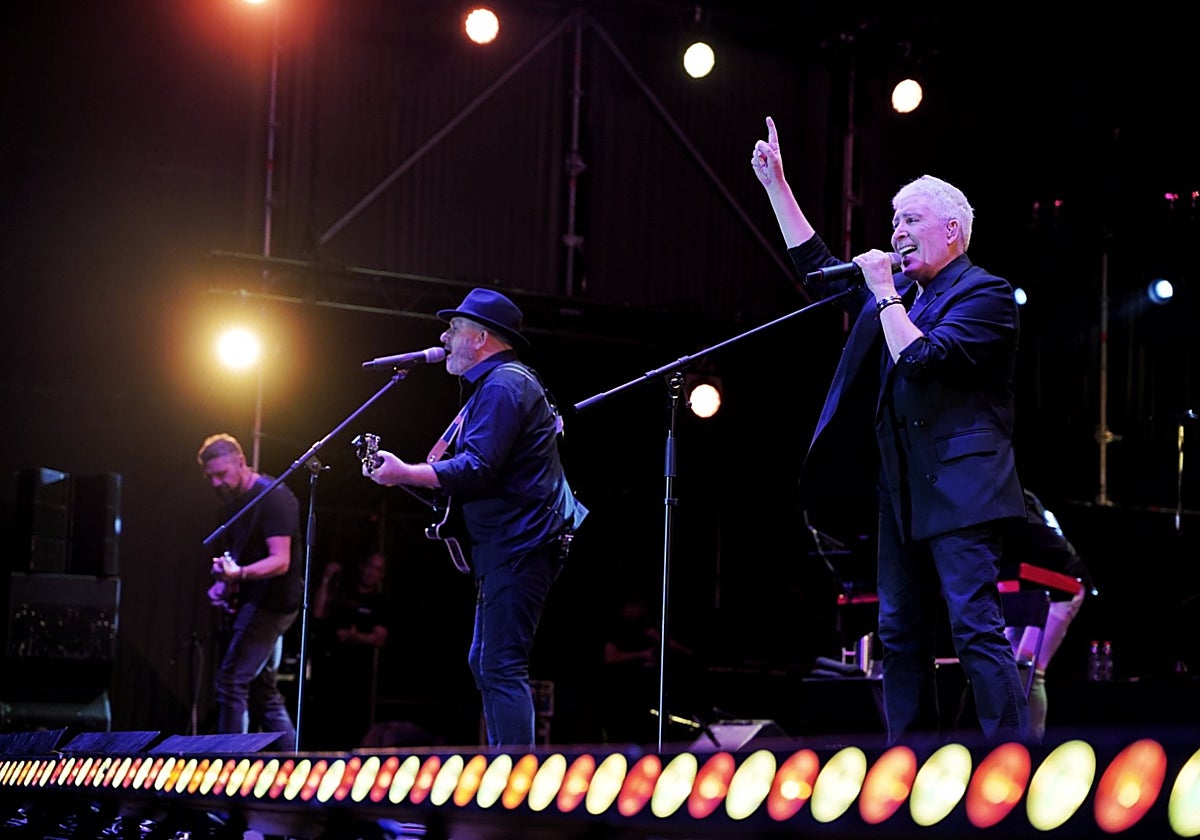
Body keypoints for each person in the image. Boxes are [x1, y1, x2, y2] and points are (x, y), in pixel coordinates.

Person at [751, 117, 1031, 742]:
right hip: (901, 495)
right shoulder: (899, 291)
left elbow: (923, 358)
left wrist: (883, 294)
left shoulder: (984, 293)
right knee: (901, 637)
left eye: (911, 220)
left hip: (962, 491)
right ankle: (912, 765)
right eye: (895, 220)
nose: (897, 233)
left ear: (952, 231)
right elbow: (818, 271)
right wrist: (777, 188)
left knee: (974, 628)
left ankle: (1018, 763)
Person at [364, 287, 589, 748]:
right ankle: (506, 772)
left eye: (454, 328)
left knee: (500, 663)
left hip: (524, 541)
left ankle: (515, 781)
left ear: (481, 337)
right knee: (486, 661)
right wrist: (403, 476)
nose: (445, 337)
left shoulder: (506, 384)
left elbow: (478, 467)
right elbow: (472, 475)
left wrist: (406, 471)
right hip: (510, 543)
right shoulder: (497, 385)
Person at [197, 432, 303, 747]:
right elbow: (242, 552)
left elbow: (280, 561)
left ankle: (229, 766)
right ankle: (292, 768)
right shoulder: (234, 501)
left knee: (231, 682)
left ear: (241, 462)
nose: (216, 483)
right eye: (210, 477)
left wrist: (238, 575)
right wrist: (224, 581)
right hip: (258, 600)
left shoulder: (273, 497)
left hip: (272, 605)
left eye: (221, 474)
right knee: (263, 692)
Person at [1002, 489, 1093, 741]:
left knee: (1029, 668)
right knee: (1009, 670)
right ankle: (1009, 744)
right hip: (1025, 586)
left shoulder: (1018, 501)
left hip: (1063, 587)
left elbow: (1049, 548)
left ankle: (1031, 746)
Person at [309, 551, 392, 749]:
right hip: (328, 671)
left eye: (378, 569)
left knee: (351, 730)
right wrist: (327, 578)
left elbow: (380, 638)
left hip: (357, 678)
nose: (372, 572)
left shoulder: (380, 602)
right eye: (370, 566)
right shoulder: (342, 593)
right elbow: (317, 613)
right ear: (362, 567)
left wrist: (355, 637)